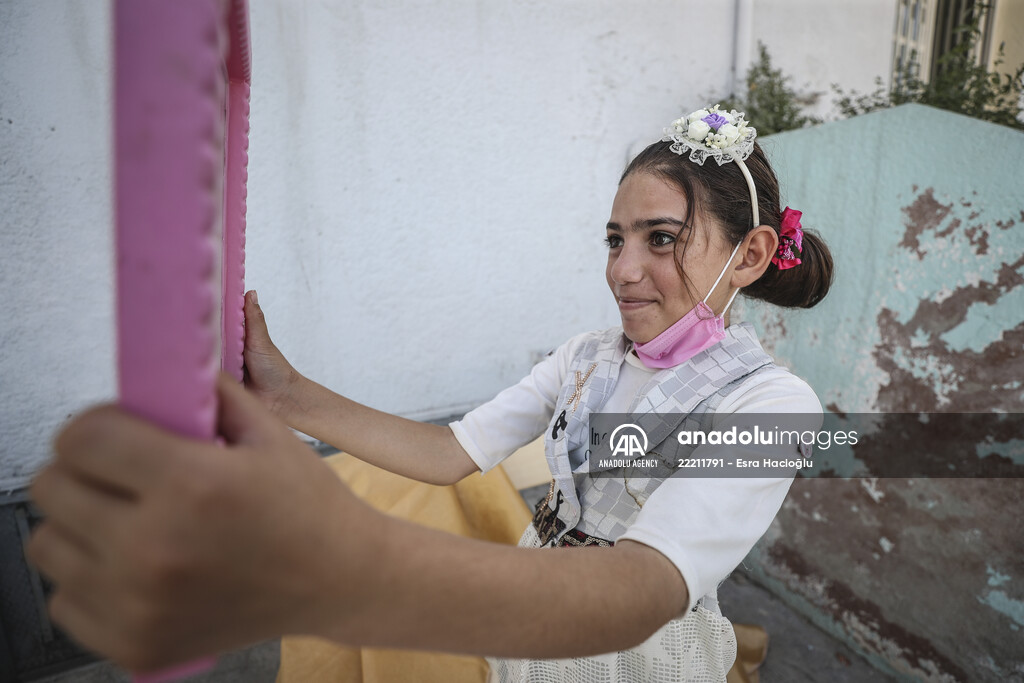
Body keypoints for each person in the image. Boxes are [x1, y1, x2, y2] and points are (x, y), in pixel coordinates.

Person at [27, 105, 832, 681]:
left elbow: (636, 592)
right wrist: (290, 395)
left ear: (753, 253)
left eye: (661, 238)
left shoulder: (771, 407)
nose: (623, 269)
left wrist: (343, 567)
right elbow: (450, 452)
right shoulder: (586, 358)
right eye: (615, 239)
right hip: (531, 639)